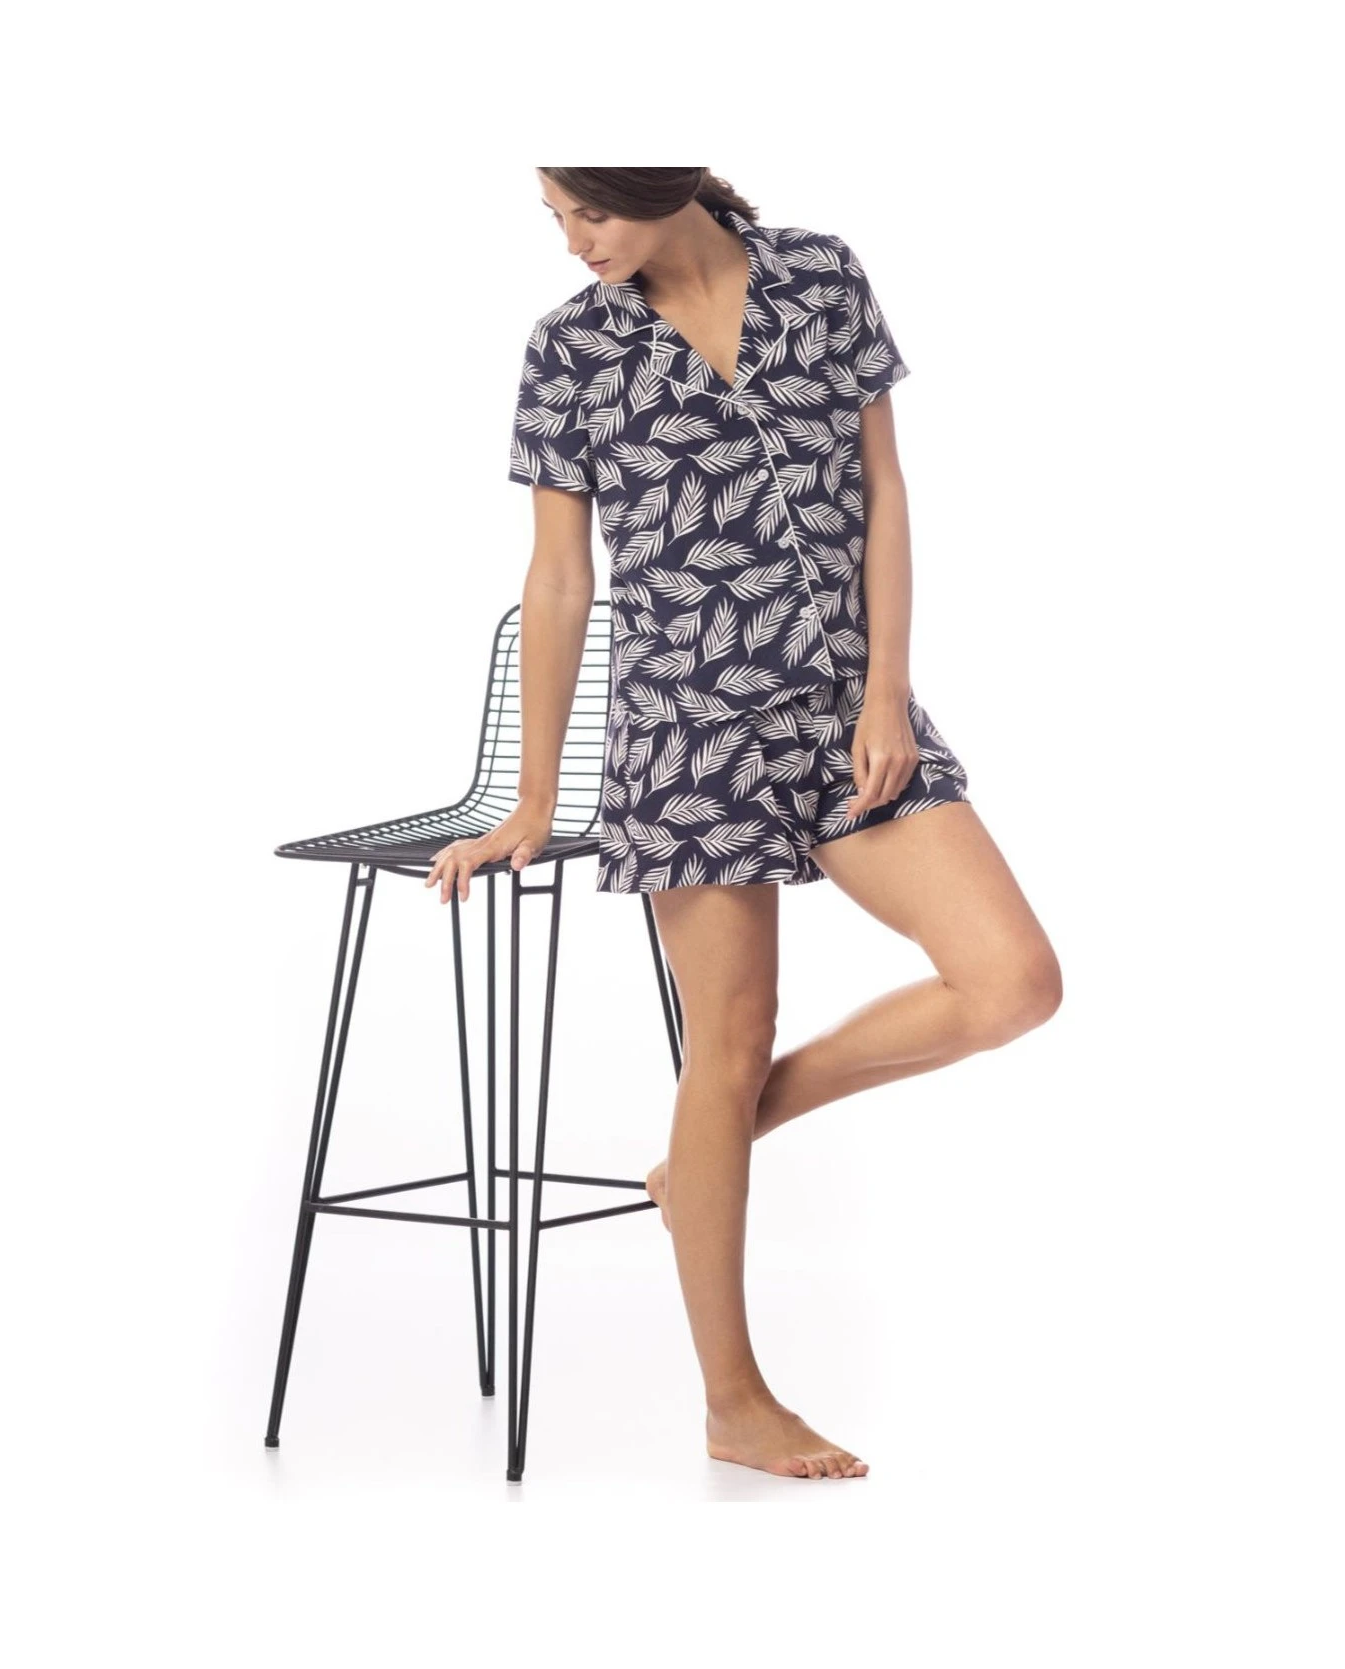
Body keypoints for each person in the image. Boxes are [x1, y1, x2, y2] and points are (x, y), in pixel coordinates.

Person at [426, 167, 1062, 1480]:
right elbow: (560, 577)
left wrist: (885, 691)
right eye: (555, 217)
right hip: (687, 730)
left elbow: (883, 490)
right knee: (725, 1045)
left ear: (661, 182)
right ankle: (735, 1403)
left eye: (591, 211)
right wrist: (535, 800)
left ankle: (703, 1155)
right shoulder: (571, 349)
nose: (574, 241)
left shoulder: (821, 276)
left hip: (844, 709)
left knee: (1011, 982)